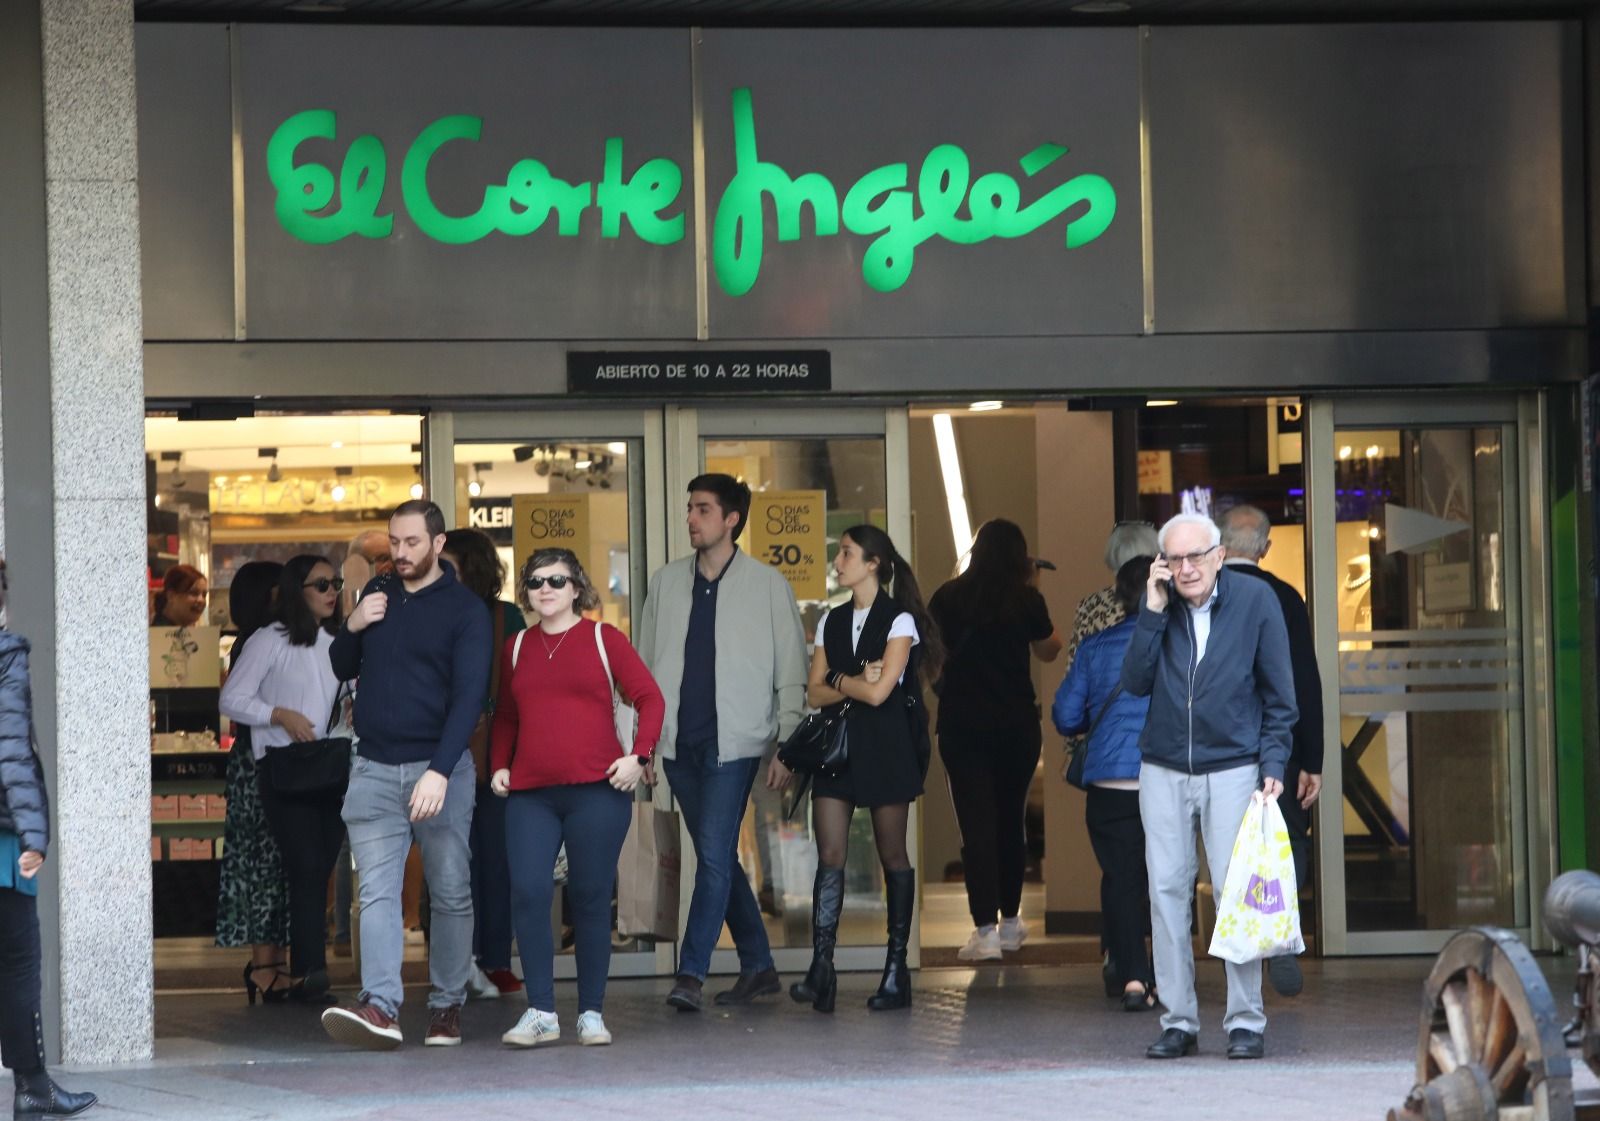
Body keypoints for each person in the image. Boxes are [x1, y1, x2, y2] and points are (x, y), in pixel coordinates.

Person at [1121, 512, 1296, 1062]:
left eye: (1196, 556)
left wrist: (1274, 761)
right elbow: (1135, 681)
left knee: (1234, 895)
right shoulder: (1159, 607)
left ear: (1220, 555)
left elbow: (1279, 693)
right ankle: (1178, 1020)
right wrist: (1150, 612)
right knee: (1166, 894)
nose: (1186, 567)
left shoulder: (1254, 602)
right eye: (1174, 559)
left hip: (1233, 767)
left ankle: (1245, 1021)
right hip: (1165, 767)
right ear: (1162, 564)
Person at [320, 501, 492, 1050]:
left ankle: (445, 1007)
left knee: (449, 891)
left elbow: (470, 699)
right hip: (372, 765)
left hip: (437, 768)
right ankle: (382, 1006)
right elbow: (343, 666)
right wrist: (351, 624)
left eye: (412, 542)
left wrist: (440, 771)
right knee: (376, 892)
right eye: (395, 542)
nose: (400, 553)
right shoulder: (377, 595)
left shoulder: (465, 611)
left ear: (438, 544)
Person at [636, 474, 807, 1012]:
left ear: (731, 519)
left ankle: (691, 972)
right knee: (717, 857)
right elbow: (641, 671)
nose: (691, 518)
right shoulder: (665, 584)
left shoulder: (767, 585)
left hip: (736, 746)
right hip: (678, 747)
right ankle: (758, 965)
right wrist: (642, 745)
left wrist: (787, 742)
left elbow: (793, 670)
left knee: (712, 858)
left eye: (703, 509)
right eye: (689, 508)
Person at [490, 548, 665, 1048]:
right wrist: (500, 764)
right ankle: (541, 1011)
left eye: (557, 580)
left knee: (589, 898)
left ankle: (591, 1012)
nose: (546, 589)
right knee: (527, 891)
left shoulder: (603, 638)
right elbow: (506, 715)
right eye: (536, 581)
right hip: (530, 794)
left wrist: (639, 755)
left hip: (597, 790)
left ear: (576, 587)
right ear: (525, 590)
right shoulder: (517, 647)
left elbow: (651, 697)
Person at [771, 524, 941, 1013]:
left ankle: (895, 972)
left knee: (892, 856)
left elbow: (879, 692)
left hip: (887, 747)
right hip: (837, 749)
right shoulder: (831, 619)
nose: (838, 560)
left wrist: (841, 680)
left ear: (873, 564)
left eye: (847, 553)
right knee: (830, 854)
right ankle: (821, 968)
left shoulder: (900, 620)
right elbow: (814, 691)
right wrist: (851, 679)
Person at [927, 519, 1061, 961]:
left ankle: (983, 930)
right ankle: (1009, 923)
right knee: (1010, 822)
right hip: (1015, 726)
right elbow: (1050, 648)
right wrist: (1031, 585)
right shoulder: (1025, 599)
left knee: (976, 826)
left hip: (962, 726)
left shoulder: (947, 598)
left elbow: (929, 657)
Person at [220, 556, 347, 1005]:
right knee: (305, 866)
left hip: (333, 763)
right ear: (298, 589)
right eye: (321, 584)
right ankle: (309, 970)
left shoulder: (342, 638)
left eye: (336, 583)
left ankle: (311, 970)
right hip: (284, 767)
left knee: (319, 868)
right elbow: (231, 698)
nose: (332, 591)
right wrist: (277, 714)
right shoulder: (269, 639)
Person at [0, 559, 98, 1120]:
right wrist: (34, 834)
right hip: (3, 843)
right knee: (17, 964)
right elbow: (11, 748)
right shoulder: (5, 655)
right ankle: (32, 1087)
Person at [1217, 504, 1323, 999]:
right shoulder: (1284, 597)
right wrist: (1313, 759)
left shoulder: (1204, 594)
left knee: (1227, 852)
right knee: (1284, 842)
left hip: (1219, 749)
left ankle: (1243, 947)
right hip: (1278, 747)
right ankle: (1280, 934)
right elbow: (1303, 680)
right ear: (1264, 548)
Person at [1052, 556, 1156, 1011]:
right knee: (1165, 879)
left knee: (1121, 879)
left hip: (1109, 784)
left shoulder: (1095, 648)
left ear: (1118, 599)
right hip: (1165, 780)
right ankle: (1167, 976)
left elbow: (1065, 716)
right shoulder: (1179, 642)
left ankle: (1133, 976)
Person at [441, 527, 527, 998]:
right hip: (439, 750)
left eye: (448, 565)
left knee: (497, 861)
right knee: (451, 863)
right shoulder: (428, 613)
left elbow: (520, 685)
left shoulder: (503, 617)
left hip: (493, 749)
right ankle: (459, 960)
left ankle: (494, 958)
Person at [213, 561, 293, 1004]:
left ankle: (272, 963)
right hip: (259, 762)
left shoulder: (257, 640)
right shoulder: (257, 643)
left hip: (255, 760)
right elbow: (238, 705)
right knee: (265, 864)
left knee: (269, 864)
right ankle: (266, 966)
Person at [151, 564, 208, 628]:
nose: (201, 600)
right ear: (171, 596)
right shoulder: (157, 635)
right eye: (193, 593)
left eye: (204, 595)